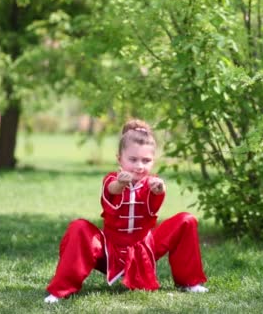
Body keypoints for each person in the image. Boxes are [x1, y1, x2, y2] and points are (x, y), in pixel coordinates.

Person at [44, 119, 208, 303]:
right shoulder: (112, 179)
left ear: (153, 161)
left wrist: (160, 189)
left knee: (186, 220)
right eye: (133, 159)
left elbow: (157, 194)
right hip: (109, 252)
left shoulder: (152, 182)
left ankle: (189, 282)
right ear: (119, 159)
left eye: (146, 160)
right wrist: (121, 183)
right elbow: (112, 188)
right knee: (79, 227)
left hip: (144, 250)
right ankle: (61, 290)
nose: (139, 166)